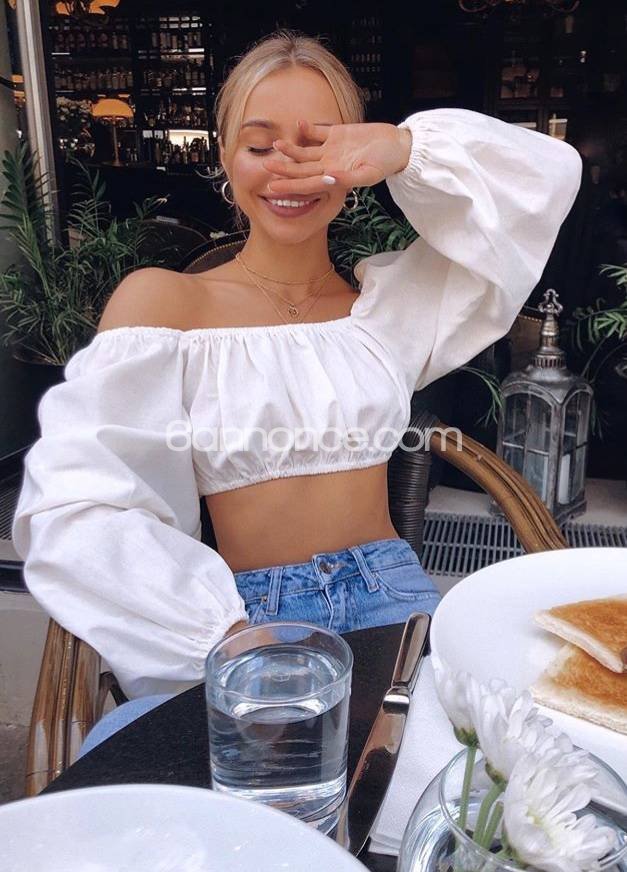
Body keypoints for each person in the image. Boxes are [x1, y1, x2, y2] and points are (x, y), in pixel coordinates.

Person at [11, 29, 582, 753]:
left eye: (318, 144)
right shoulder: (165, 303)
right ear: (224, 155)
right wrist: (216, 630)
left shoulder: (388, 311)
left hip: (395, 605)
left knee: (465, 789)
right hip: (244, 618)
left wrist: (405, 149)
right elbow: (79, 501)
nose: (288, 167)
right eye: (260, 144)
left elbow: (544, 181)